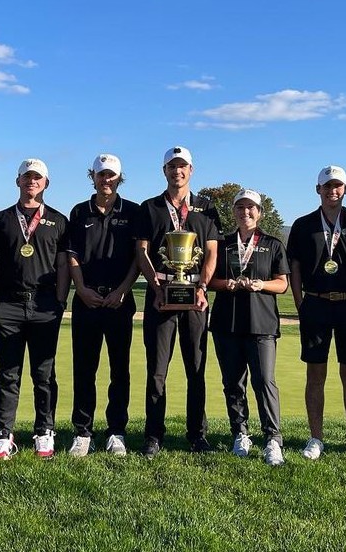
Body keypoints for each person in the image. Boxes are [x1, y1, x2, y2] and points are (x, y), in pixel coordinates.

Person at [134, 145, 220, 457]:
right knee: (157, 371)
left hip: (195, 297)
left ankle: (197, 435)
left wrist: (203, 287)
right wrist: (156, 287)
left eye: (182, 166)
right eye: (172, 166)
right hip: (161, 296)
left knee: (196, 369)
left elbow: (211, 252)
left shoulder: (207, 208)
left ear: (191, 170)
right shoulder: (150, 207)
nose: (177, 171)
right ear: (164, 171)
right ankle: (154, 435)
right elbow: (142, 250)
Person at [287, 165, 346, 460]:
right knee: (316, 373)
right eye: (327, 186)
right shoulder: (302, 225)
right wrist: (300, 302)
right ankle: (316, 438)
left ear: (345, 190)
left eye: (337, 186)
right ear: (318, 190)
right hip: (316, 303)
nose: (332, 191)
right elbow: (295, 267)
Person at [0, 158, 70, 459]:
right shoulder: (0, 219)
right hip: (8, 303)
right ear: (18, 181)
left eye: (37, 178)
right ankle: (4, 433)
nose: (31, 182)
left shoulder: (59, 221)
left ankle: (44, 430)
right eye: (26, 177)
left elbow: (63, 265)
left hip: (45, 304)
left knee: (44, 373)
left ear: (46, 183)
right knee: (8, 372)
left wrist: (60, 301)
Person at [206, 188, 289, 466]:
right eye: (240, 207)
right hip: (226, 323)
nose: (246, 212)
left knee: (264, 381)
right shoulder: (222, 243)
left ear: (260, 212)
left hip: (262, 323)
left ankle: (272, 439)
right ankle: (240, 433)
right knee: (233, 383)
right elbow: (209, 280)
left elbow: (283, 284)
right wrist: (226, 284)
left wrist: (261, 284)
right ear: (233, 212)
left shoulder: (273, 243)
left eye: (251, 207)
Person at [65, 154, 140, 457]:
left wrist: (123, 290)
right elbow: (71, 255)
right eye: (100, 175)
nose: (106, 180)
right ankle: (83, 432)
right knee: (85, 369)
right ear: (92, 177)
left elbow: (139, 258)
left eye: (111, 175)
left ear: (119, 178)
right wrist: (80, 288)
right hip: (87, 301)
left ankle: (116, 431)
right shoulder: (79, 211)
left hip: (120, 301)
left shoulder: (133, 212)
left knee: (119, 370)